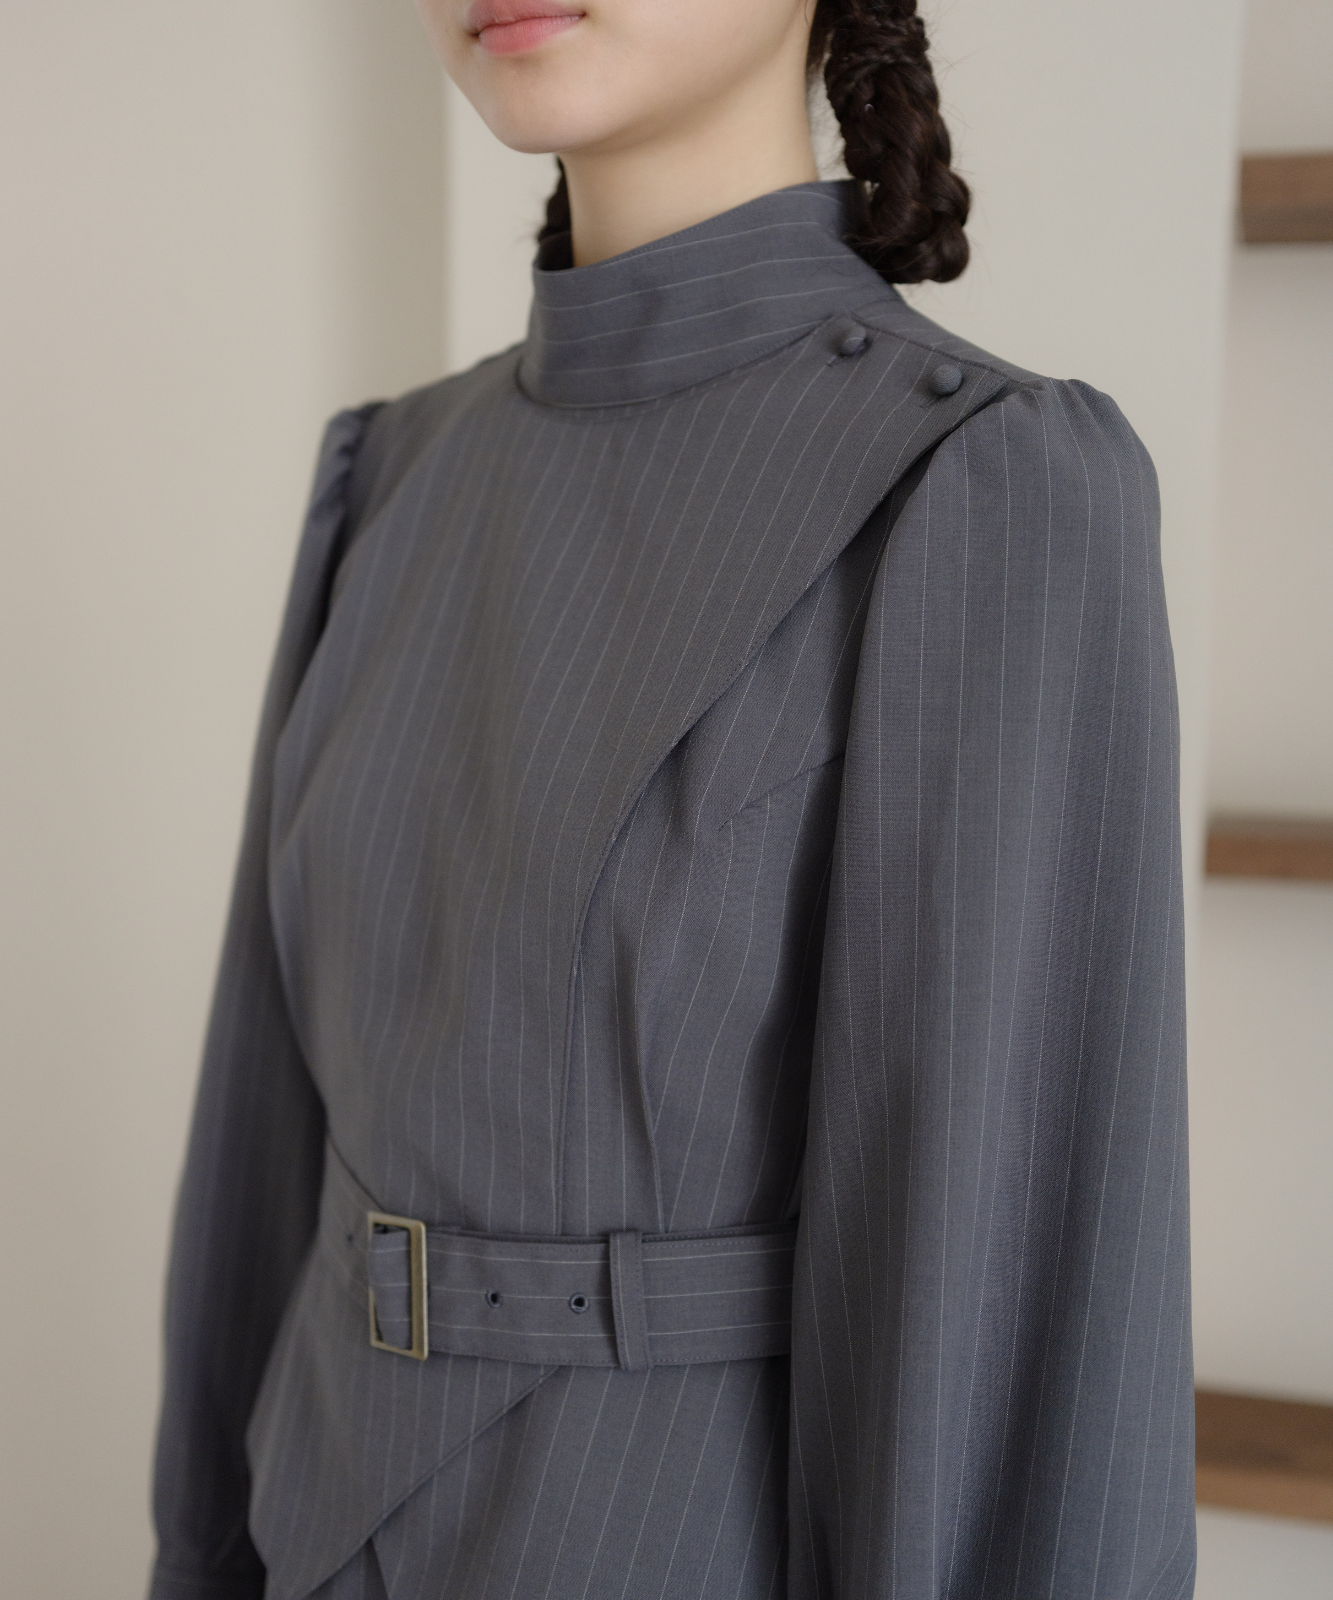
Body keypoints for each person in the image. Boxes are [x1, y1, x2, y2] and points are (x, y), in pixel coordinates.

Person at [148, 1, 1194, 1597]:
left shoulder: (984, 484)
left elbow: (1030, 1350)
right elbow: (261, 1149)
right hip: (312, 1523)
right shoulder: (390, 478)